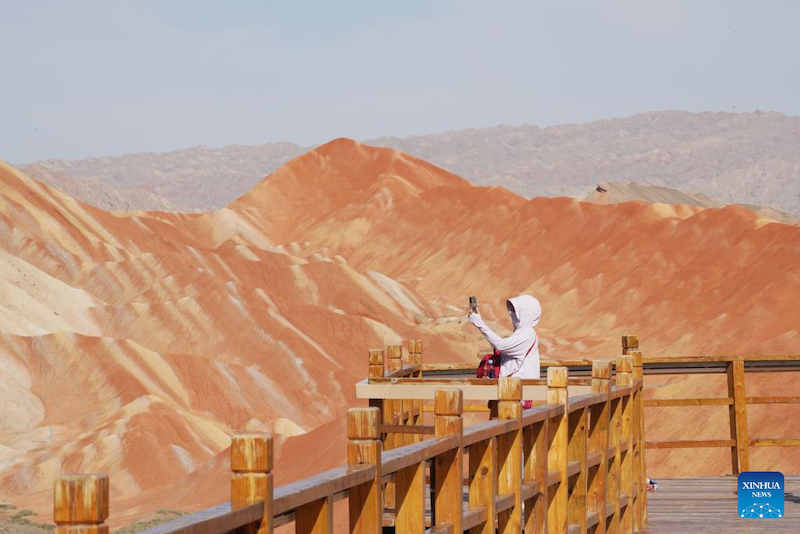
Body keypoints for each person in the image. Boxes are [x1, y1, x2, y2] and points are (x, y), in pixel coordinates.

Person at [468, 294, 541, 379]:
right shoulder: (521, 333)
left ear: (526, 314)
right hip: (512, 383)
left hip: (520, 384)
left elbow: (501, 345)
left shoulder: (527, 335)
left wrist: (479, 323)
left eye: (516, 311)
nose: (511, 313)